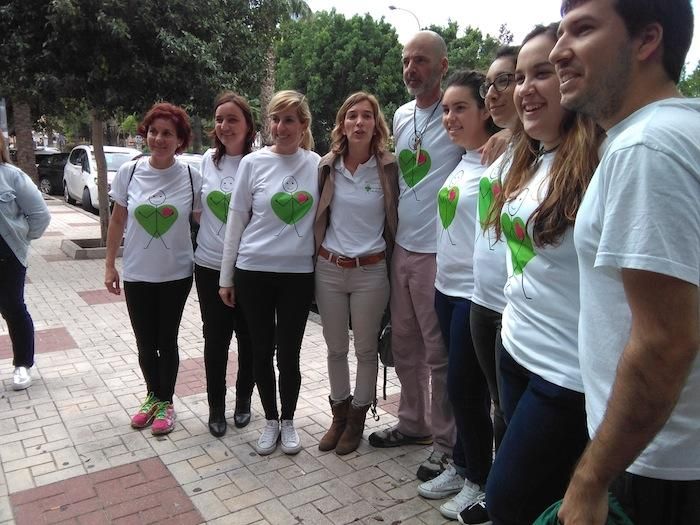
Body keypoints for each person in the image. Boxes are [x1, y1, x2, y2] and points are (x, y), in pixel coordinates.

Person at [550, 1, 699, 524]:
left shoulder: (647, 148)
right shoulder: (674, 133)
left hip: (658, 468)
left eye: (583, 29)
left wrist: (592, 479)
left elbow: (666, 341)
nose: (558, 51)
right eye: (561, 30)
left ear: (646, 40)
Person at [483, 24, 602, 525]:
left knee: (507, 501)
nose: (524, 89)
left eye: (543, 73)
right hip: (513, 349)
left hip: (565, 376)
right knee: (537, 501)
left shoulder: (603, 160)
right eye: (521, 77)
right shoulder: (528, 160)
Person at [368, 30, 463, 483]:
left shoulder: (455, 117)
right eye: (407, 60)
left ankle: (447, 443)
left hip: (438, 254)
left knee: (439, 353)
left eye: (421, 60)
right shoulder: (402, 115)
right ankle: (413, 424)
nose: (411, 69)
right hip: (401, 248)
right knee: (403, 345)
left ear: (442, 66)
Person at [219, 90, 320, 456]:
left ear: (303, 125)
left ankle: (289, 419)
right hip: (253, 271)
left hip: (297, 275)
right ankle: (271, 420)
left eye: (289, 120)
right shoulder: (253, 164)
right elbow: (236, 221)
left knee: (288, 353)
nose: (280, 127)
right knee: (260, 350)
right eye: (275, 119)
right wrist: (225, 277)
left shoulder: (316, 165)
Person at [416, 70, 497, 521]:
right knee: (457, 387)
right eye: (445, 109)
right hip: (445, 288)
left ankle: (478, 480)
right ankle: (464, 464)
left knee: (468, 391)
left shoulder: (498, 160)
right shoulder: (464, 159)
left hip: (475, 294)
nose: (449, 117)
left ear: (486, 110)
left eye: (460, 107)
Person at [105, 102, 202, 436]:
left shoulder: (191, 176)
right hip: (136, 273)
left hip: (176, 274)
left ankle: (166, 402)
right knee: (144, 341)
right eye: (154, 132)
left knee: (167, 339)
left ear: (180, 140)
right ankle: (152, 397)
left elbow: (206, 221)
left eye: (168, 134)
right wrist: (109, 267)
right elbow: (118, 221)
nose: (159, 139)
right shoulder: (129, 173)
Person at [313, 92, 399, 456]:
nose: (359, 122)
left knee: (365, 350)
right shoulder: (326, 165)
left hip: (371, 270)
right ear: (342, 124)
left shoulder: (388, 167)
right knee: (335, 348)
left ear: (376, 125)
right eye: (352, 116)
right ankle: (338, 414)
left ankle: (357, 421)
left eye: (366, 116)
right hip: (330, 268)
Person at [457, 46, 521, 525]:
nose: (496, 92)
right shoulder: (499, 151)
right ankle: (497, 493)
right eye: (492, 84)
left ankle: (503, 497)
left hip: (512, 305)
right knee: (497, 406)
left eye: (508, 80)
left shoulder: (541, 150)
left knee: (512, 414)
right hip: (483, 298)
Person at [194, 92, 256, 437]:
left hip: (249, 269)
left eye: (232, 119)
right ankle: (216, 407)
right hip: (208, 265)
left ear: (248, 126)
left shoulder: (260, 163)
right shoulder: (206, 161)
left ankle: (243, 401)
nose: (224, 126)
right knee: (215, 339)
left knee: (249, 339)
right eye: (219, 119)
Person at [0, 133, 51, 390]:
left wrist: (20, 238)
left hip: (7, 256)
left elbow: (40, 215)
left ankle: (23, 364)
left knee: (13, 307)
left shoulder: (11, 176)